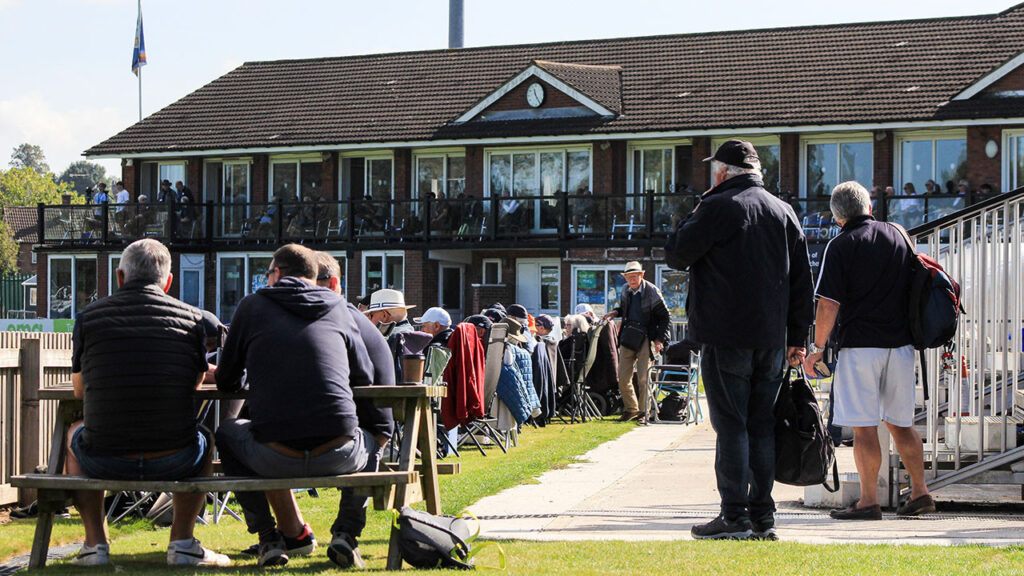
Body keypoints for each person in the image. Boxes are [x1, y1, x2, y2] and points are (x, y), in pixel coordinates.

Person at [664, 139, 813, 541]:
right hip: (773, 338)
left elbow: (676, 253)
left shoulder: (717, 206)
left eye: (714, 169)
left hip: (726, 334)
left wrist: (696, 209)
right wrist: (798, 337)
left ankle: (734, 515)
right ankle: (763, 516)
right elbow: (803, 280)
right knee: (761, 424)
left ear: (723, 172)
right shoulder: (784, 211)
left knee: (731, 425)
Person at [64, 239, 230, 567]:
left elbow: (80, 391)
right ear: (168, 282)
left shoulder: (89, 317)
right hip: (175, 457)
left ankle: (94, 545)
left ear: (119, 276)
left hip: (104, 457)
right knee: (204, 440)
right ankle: (182, 543)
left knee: (72, 433)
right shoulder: (192, 319)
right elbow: (195, 383)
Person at [214, 244, 378, 568]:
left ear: (276, 273)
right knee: (374, 437)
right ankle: (346, 534)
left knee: (226, 432)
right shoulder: (338, 306)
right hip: (339, 452)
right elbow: (365, 375)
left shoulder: (252, 306)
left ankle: (268, 538)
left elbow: (226, 380)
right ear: (315, 276)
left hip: (274, 454)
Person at [804, 181, 934, 520]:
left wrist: (817, 349)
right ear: (870, 207)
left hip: (860, 346)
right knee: (901, 424)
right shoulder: (899, 235)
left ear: (837, 217)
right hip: (902, 345)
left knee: (863, 428)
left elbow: (828, 304)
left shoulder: (840, 245)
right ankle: (920, 492)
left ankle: (868, 501)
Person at [600, 261, 670, 422]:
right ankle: (631, 410)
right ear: (625, 278)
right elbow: (625, 310)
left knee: (644, 378)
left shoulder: (652, 291)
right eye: (629, 277)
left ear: (642, 275)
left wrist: (659, 340)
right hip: (629, 335)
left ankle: (644, 413)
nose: (632, 280)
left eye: (635, 276)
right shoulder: (625, 290)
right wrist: (615, 312)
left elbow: (666, 316)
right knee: (622, 376)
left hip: (646, 336)